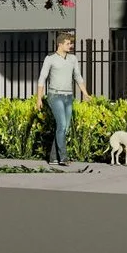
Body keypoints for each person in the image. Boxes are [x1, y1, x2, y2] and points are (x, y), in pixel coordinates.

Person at [34, 32, 88, 165]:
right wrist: (39, 98)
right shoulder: (50, 58)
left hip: (68, 96)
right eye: (68, 43)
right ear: (60, 44)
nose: (71, 45)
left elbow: (78, 76)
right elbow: (42, 78)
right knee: (62, 125)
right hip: (55, 96)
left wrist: (85, 93)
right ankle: (63, 158)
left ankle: (53, 158)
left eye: (71, 43)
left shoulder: (73, 59)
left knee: (64, 128)